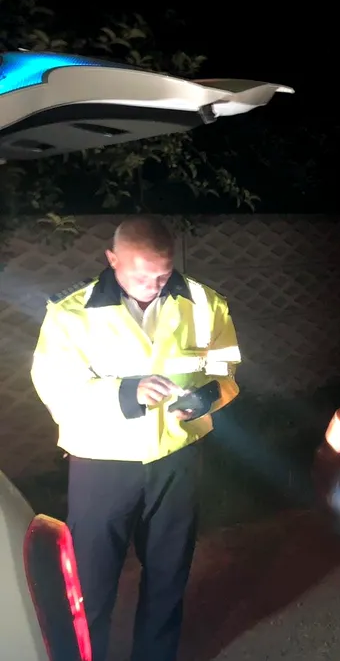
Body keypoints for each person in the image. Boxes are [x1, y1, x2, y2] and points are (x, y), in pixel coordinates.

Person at [31, 216, 241, 661]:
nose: (153, 286)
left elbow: (227, 371)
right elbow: (54, 387)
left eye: (162, 275)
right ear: (113, 259)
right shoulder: (71, 313)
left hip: (176, 460)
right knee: (90, 583)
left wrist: (207, 397)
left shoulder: (205, 303)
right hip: (101, 465)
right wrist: (126, 392)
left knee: (168, 574)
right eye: (141, 276)